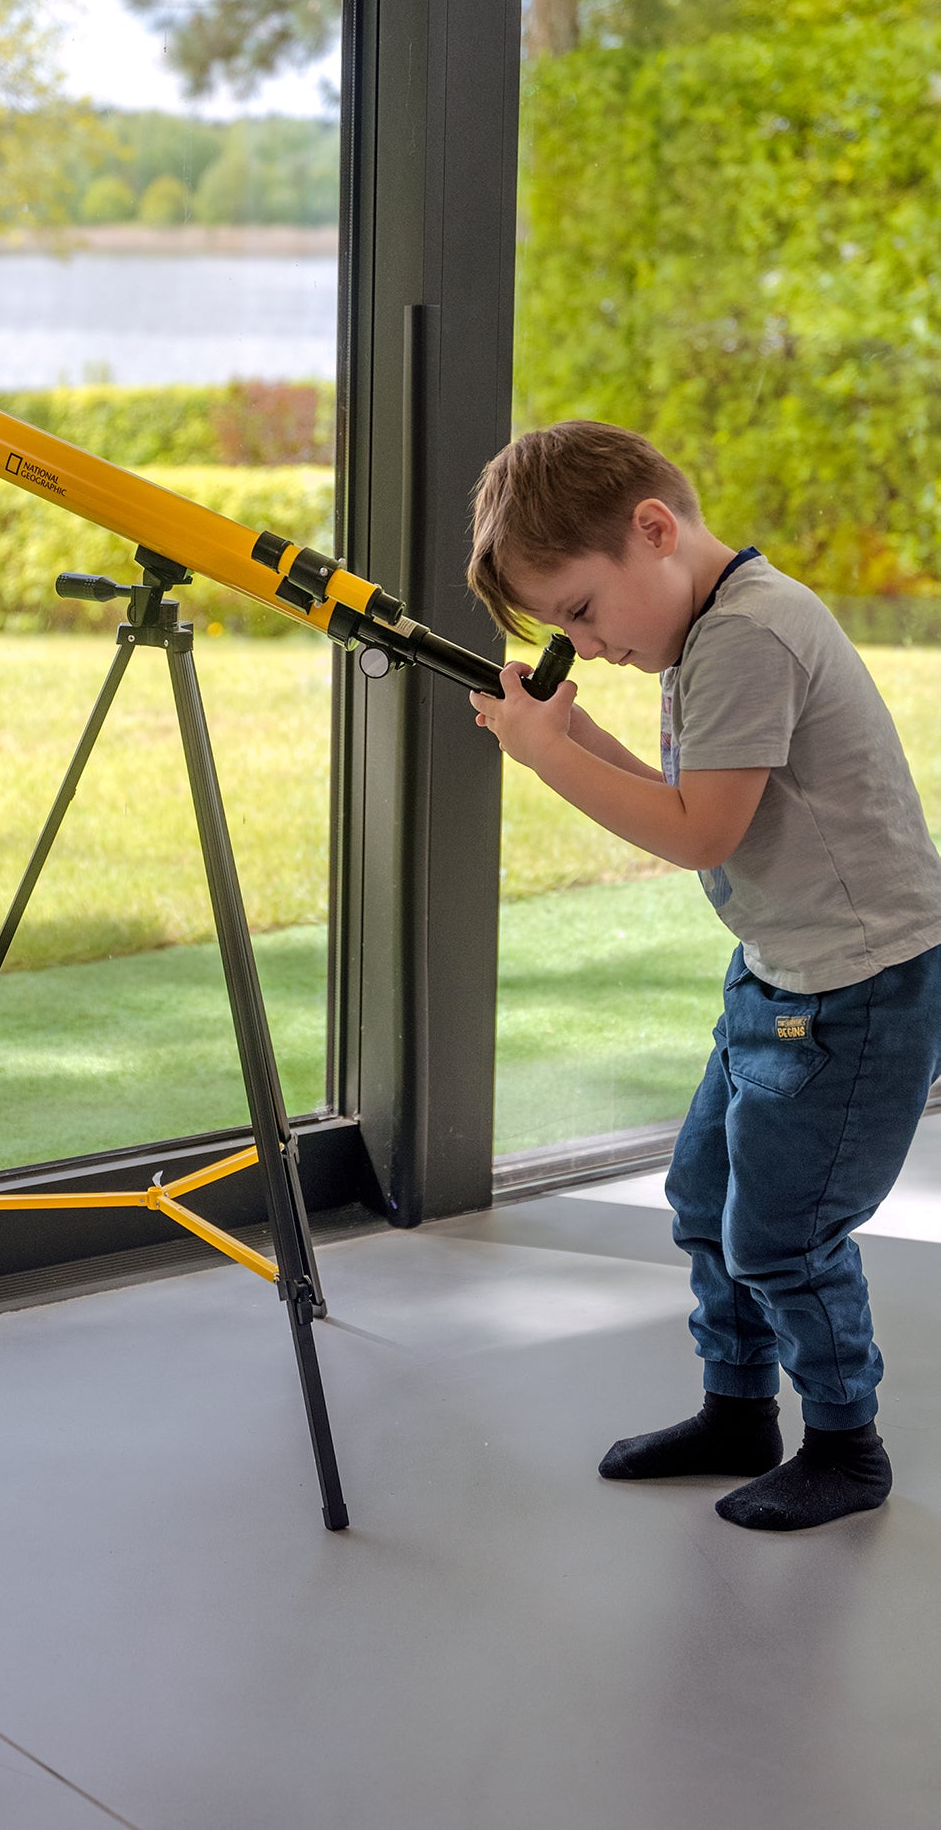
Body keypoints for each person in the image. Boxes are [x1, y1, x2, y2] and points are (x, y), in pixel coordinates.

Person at [466, 420, 941, 1532]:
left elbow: (696, 835)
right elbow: (699, 798)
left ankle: (842, 1443)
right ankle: (737, 1410)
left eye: (579, 610)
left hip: (853, 992)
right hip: (781, 975)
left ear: (652, 531)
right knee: (703, 1198)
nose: (578, 644)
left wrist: (547, 756)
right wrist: (569, 738)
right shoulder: (716, 626)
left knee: (782, 1233)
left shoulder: (747, 637)